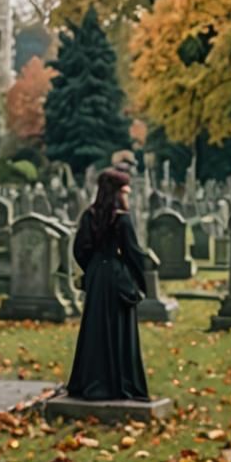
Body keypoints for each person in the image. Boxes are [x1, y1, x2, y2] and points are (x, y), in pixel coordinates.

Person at [65, 168, 152, 401]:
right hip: (116, 274)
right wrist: (141, 282)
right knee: (118, 329)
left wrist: (92, 269)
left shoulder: (88, 215)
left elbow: (78, 250)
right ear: (116, 193)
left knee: (95, 329)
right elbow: (133, 253)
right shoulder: (122, 219)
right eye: (125, 192)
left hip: (95, 276)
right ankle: (119, 384)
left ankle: (92, 382)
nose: (127, 196)